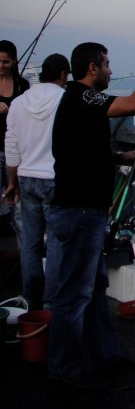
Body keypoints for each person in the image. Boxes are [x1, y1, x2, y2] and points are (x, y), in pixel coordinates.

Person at [45, 41, 135, 389]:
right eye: (106, 64)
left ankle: (104, 355)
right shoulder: (84, 96)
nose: (109, 70)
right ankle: (63, 372)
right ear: (92, 68)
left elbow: (81, 149)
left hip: (82, 211)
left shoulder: (75, 102)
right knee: (74, 295)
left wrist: (119, 158)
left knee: (93, 286)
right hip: (78, 212)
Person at [4, 53, 70, 309]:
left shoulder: (19, 103)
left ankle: (31, 298)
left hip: (26, 178)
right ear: (64, 75)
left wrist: (12, 182)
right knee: (55, 243)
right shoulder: (64, 100)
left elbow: (11, 145)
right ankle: (52, 302)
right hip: (55, 180)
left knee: (30, 242)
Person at [0, 40, 30, 227]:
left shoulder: (22, 85)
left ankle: (24, 252)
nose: (1, 66)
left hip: (16, 150)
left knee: (19, 205)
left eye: (5, 62)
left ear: (13, 61)